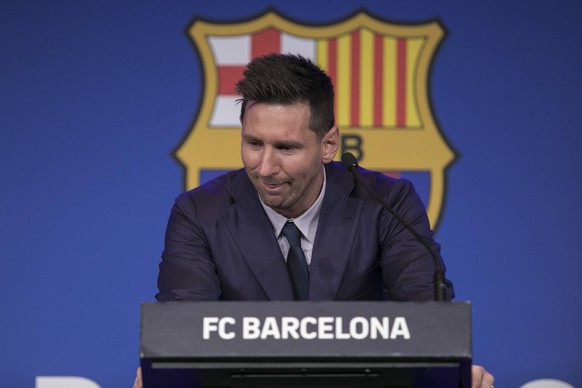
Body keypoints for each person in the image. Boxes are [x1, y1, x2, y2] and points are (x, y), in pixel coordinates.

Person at [136, 53, 493, 387]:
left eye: (286, 148)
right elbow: (183, 332)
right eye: (253, 143)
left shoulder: (386, 203)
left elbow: (427, 320)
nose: (265, 168)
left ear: (328, 144)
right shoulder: (199, 213)